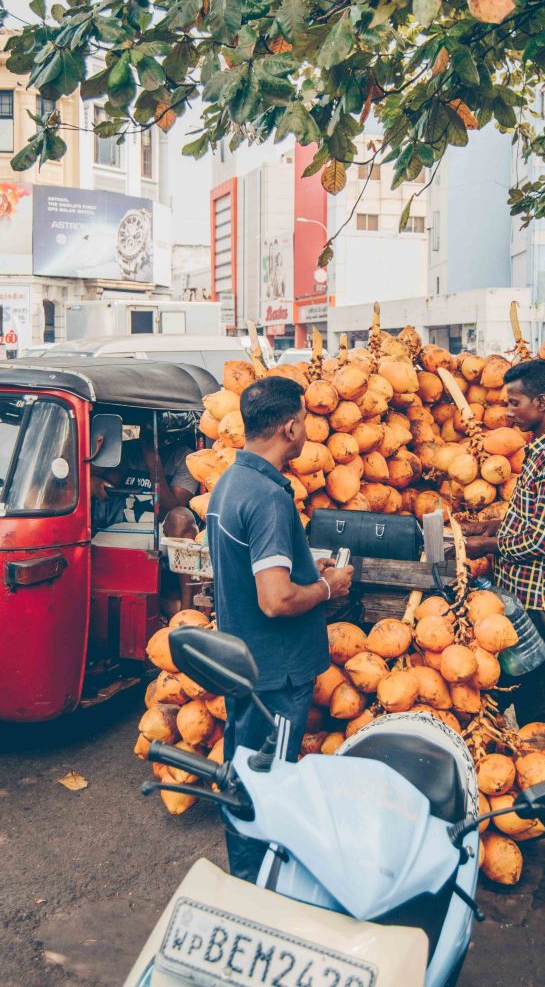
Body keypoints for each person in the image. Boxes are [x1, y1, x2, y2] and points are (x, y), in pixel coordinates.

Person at [207, 376, 353, 882]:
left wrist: (306, 567)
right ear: (291, 426)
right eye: (306, 420)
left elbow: (258, 572)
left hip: (249, 667)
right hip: (277, 675)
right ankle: (258, 889)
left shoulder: (231, 482)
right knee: (266, 787)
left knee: (245, 776)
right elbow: (276, 598)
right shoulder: (269, 496)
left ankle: (246, 878)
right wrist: (328, 587)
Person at [463, 359, 545, 788]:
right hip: (521, 593)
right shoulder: (539, 451)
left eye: (514, 403)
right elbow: (527, 520)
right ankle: (538, 787)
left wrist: (485, 545)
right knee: (530, 696)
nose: (507, 412)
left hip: (542, 600)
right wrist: (488, 527)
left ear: (541, 401)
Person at [91, 420, 197, 529]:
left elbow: (172, 514)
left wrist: (152, 459)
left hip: (161, 532)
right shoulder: (128, 450)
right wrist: (93, 481)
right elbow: (108, 487)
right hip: (120, 527)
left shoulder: (186, 459)